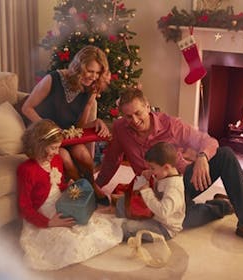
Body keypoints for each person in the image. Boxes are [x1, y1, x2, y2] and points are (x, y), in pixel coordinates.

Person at [95, 88, 243, 246]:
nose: (135, 121)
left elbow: (208, 141)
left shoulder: (172, 125)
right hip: (152, 189)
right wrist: (98, 185)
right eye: (128, 116)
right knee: (176, 221)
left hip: (180, 183)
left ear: (147, 107)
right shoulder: (120, 128)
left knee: (225, 155)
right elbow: (112, 160)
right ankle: (222, 205)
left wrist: (202, 156)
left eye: (138, 113)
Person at [17, 119, 123, 270]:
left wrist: (71, 188)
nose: (56, 152)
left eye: (57, 148)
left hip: (61, 202)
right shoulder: (26, 170)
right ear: (39, 145)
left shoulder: (56, 160)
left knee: (91, 227)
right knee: (70, 241)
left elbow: (59, 185)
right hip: (43, 212)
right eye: (53, 148)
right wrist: (49, 222)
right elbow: (24, 206)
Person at [21, 45, 111, 200]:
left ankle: (91, 185)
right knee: (65, 158)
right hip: (43, 134)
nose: (93, 76)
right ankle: (85, 191)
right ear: (79, 67)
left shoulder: (91, 88)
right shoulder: (52, 79)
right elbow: (27, 108)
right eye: (90, 71)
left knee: (83, 154)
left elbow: (79, 126)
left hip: (65, 134)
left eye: (97, 73)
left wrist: (97, 122)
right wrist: (51, 131)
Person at [115, 142, 186, 242]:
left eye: (152, 168)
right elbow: (139, 191)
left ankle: (127, 226)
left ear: (166, 167)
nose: (151, 170)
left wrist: (147, 192)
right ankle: (128, 224)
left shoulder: (174, 187)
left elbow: (163, 212)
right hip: (152, 215)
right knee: (122, 202)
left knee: (126, 227)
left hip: (164, 228)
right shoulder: (163, 174)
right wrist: (145, 178)